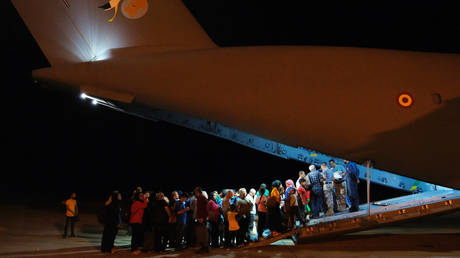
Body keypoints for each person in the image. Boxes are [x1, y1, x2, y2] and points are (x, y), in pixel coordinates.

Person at [194, 187, 209, 254]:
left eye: (195, 192)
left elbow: (205, 208)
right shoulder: (200, 198)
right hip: (200, 218)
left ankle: (205, 248)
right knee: (200, 233)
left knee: (203, 233)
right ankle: (203, 247)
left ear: (198, 192)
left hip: (202, 218)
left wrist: (202, 218)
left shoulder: (202, 198)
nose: (195, 193)